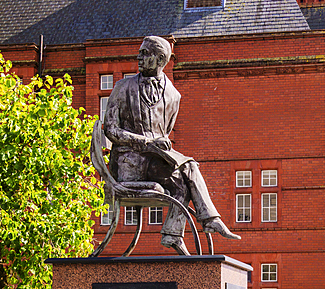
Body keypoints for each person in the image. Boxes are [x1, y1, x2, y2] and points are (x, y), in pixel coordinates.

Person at [103, 36, 241, 256]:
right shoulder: (123, 87)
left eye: (145, 53)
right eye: (140, 52)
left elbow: (165, 132)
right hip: (129, 163)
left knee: (184, 179)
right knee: (190, 169)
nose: (139, 57)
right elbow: (110, 129)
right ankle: (206, 221)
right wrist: (147, 141)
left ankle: (174, 234)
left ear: (160, 59)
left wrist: (159, 145)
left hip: (156, 162)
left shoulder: (173, 95)